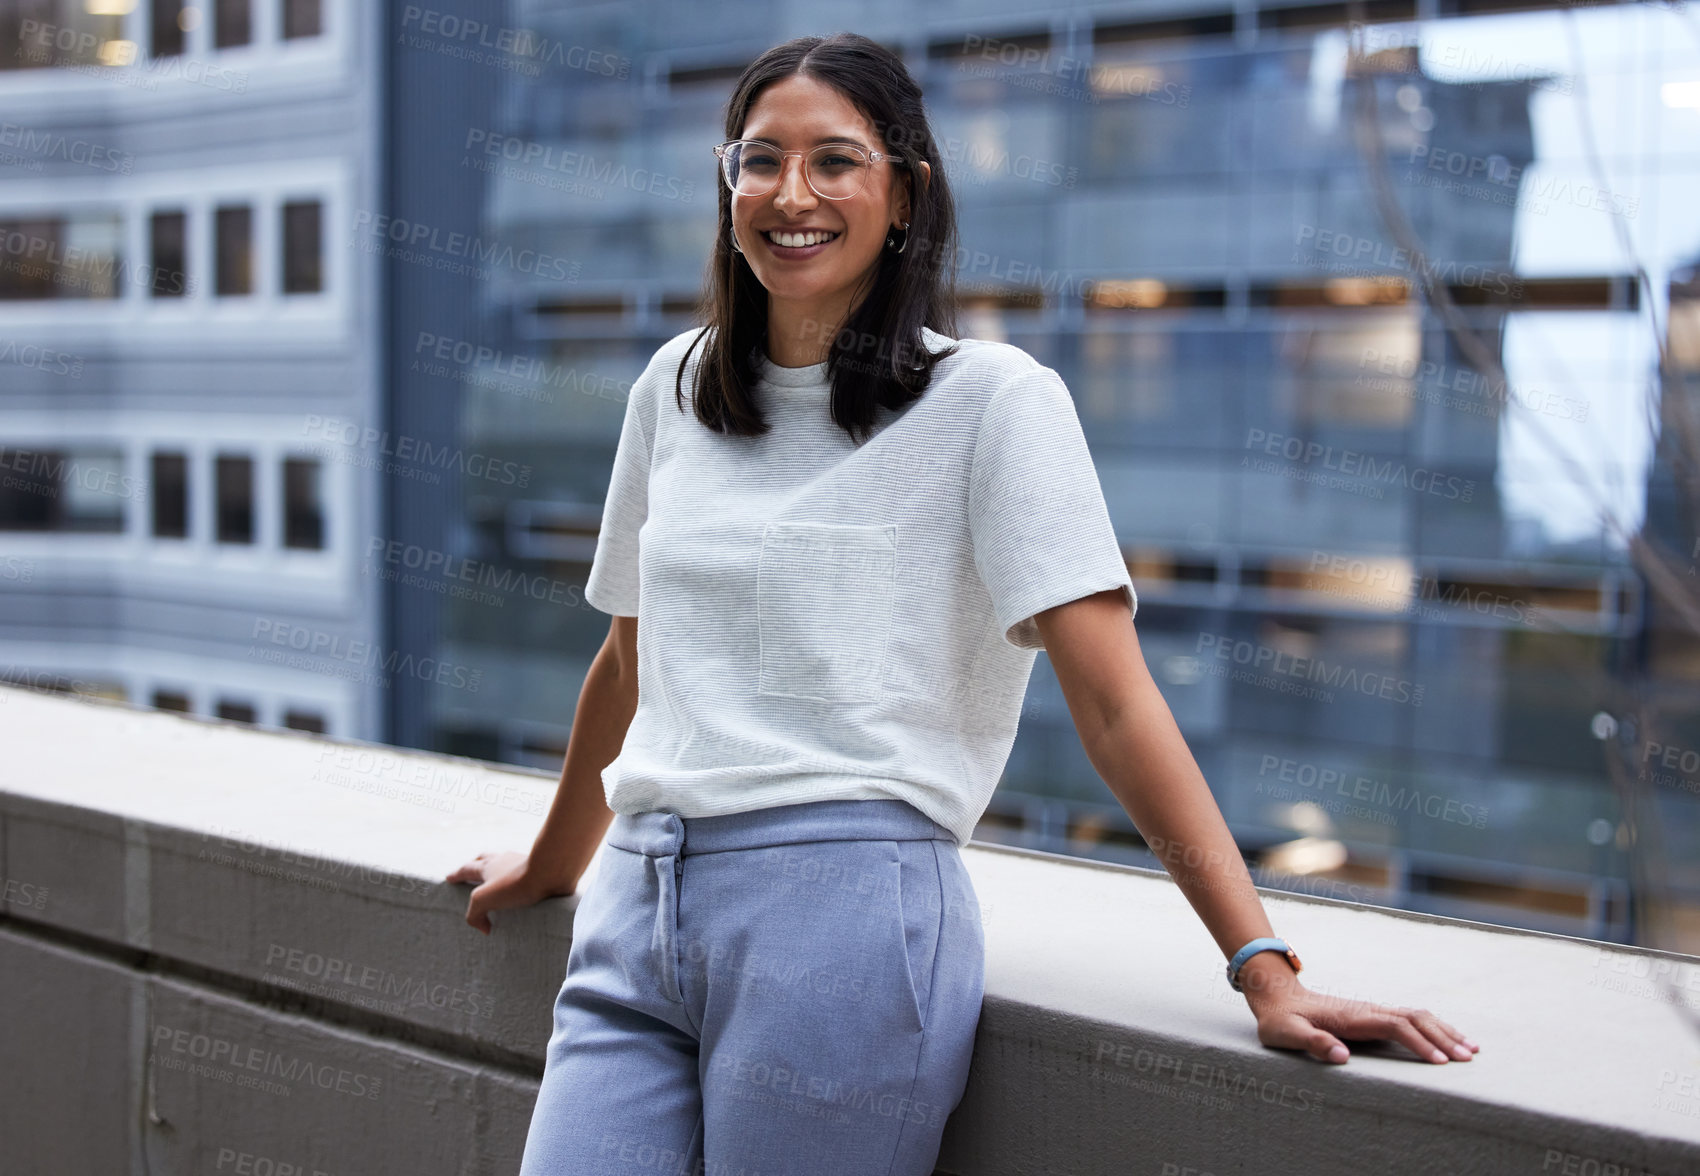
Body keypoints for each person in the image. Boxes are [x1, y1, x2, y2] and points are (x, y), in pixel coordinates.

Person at [447, 30, 1477, 1176]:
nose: (791, 194)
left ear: (904, 196)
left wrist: (1263, 967)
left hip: (839, 926)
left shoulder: (992, 403)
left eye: (835, 161)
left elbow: (1115, 706)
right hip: (635, 912)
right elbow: (632, 662)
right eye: (758, 159)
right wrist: (554, 864)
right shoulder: (675, 386)